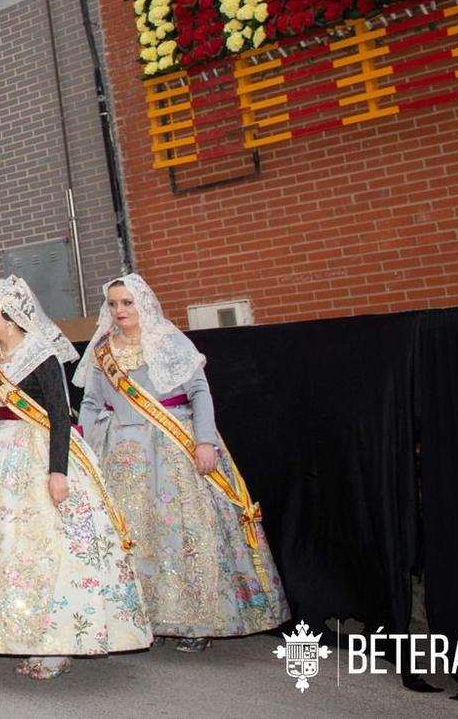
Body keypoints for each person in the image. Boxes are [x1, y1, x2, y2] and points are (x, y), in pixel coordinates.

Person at [0, 276, 149, 679]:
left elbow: (61, 417)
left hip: (35, 452)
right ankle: (1, 632)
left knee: (39, 550)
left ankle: (55, 644)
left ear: (10, 318)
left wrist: (57, 472)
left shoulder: (41, 356)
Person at [77, 273, 286, 649]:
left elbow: (199, 391)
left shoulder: (168, 341)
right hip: (123, 452)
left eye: (127, 302)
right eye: (113, 304)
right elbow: (91, 403)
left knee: (184, 536)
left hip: (173, 446)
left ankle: (196, 622)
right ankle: (142, 619)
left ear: (144, 304)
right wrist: (83, 446)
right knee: (132, 536)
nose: (120, 310)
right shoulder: (102, 350)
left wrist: (205, 441)